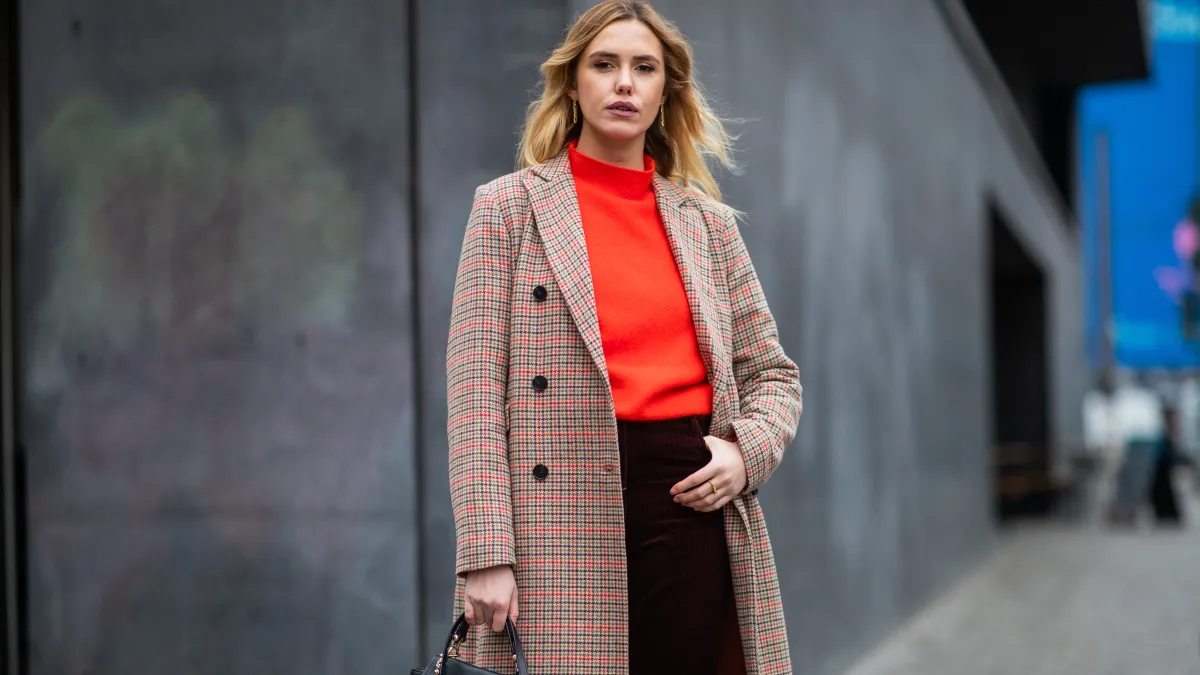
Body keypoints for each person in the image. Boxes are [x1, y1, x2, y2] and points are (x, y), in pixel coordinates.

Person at [445, 2, 803, 673]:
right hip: (557, 512)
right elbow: (473, 394)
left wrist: (743, 453)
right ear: (573, 82)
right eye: (604, 64)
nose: (624, 82)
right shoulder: (507, 209)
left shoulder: (709, 225)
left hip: (691, 497)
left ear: (665, 91)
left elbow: (774, 377)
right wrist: (486, 551)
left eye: (644, 68)